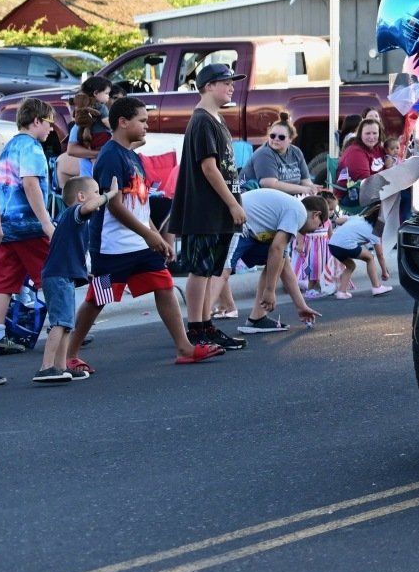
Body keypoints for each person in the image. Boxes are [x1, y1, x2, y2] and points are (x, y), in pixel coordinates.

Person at [71, 97, 221, 367]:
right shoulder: (110, 156)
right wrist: (148, 234)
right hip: (112, 248)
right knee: (98, 298)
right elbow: (114, 205)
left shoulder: (132, 155)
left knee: (164, 286)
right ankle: (68, 355)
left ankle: (184, 348)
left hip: (140, 245)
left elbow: (140, 205)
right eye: (142, 121)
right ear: (123, 122)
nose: (146, 126)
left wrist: (156, 236)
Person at [172, 63, 248, 353]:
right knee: (200, 270)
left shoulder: (216, 119)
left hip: (219, 213)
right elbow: (209, 168)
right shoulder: (202, 120)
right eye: (225, 82)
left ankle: (206, 326)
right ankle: (195, 329)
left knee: (211, 270)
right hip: (205, 210)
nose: (231, 87)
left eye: (232, 82)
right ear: (207, 86)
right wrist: (232, 203)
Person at [0, 98, 55, 357]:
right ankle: (61, 326)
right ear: (36, 121)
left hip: (6, 226)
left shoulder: (9, 146)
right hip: (30, 225)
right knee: (51, 275)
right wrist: (46, 222)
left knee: (4, 281)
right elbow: (30, 184)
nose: (52, 129)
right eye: (49, 123)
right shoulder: (32, 148)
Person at [35, 174, 109, 385]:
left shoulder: (73, 222)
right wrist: (110, 194)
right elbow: (87, 207)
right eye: (95, 192)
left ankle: (60, 366)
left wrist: (84, 273)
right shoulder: (75, 213)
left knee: (66, 323)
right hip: (58, 277)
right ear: (81, 196)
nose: (99, 197)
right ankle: (46, 367)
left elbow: (70, 252)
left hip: (63, 275)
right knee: (59, 322)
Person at [229, 189, 326, 334]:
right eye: (321, 224)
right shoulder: (298, 213)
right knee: (220, 274)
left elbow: (283, 263)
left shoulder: (289, 218)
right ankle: (201, 327)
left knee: (277, 261)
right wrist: (269, 291)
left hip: (246, 223)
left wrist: (301, 306)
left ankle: (257, 319)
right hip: (239, 222)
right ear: (316, 214)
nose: (318, 229)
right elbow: (276, 249)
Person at [243, 115, 323, 198]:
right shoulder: (264, 153)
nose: (276, 139)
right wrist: (304, 189)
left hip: (287, 199)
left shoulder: (296, 152)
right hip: (258, 198)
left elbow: (305, 181)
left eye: (281, 137)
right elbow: (270, 185)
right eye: (272, 136)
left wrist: (312, 188)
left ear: (290, 139)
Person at [56, 76, 114, 189]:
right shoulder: (83, 122)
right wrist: (99, 153)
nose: (109, 97)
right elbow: (71, 150)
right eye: (107, 94)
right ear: (96, 93)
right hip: (93, 176)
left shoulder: (87, 117)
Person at [327, 211, 392, 298]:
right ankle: (377, 287)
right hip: (345, 244)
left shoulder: (357, 217)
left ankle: (341, 292)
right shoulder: (376, 231)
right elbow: (380, 255)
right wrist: (385, 272)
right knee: (370, 257)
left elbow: (338, 221)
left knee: (350, 265)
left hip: (332, 244)